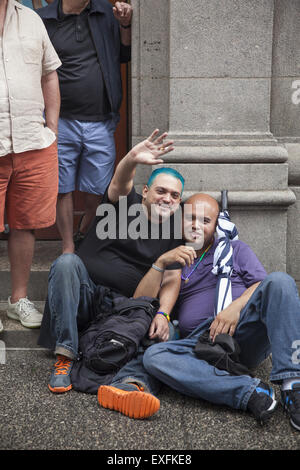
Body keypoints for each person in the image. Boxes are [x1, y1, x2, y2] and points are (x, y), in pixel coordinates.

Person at [97, 193, 300, 431]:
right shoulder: (176, 258)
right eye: (191, 218)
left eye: (205, 221)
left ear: (215, 226)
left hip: (242, 330)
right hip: (199, 343)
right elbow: (141, 299)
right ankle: (250, 391)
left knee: (280, 281)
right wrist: (161, 263)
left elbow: (263, 287)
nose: (196, 225)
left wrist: (234, 308)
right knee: (154, 357)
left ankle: (292, 385)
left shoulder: (235, 249)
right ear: (180, 219)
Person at [38, 129, 189, 393]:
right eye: (161, 191)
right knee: (66, 262)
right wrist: (132, 157)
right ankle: (65, 357)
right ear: (145, 192)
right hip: (85, 298)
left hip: (124, 311)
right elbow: (120, 182)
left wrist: (164, 313)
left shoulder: (176, 230)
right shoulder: (122, 206)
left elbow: (173, 278)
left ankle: (124, 382)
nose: (167, 198)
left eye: (174, 195)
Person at [38, 0, 133, 253]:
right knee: (62, 189)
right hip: (60, 121)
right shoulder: (43, 20)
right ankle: (68, 246)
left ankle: (85, 231)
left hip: (101, 120)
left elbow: (125, 55)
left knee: (99, 191)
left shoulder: (106, 13)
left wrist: (125, 25)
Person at [0, 0, 61, 330]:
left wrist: (51, 128)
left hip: (31, 142)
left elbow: (49, 74)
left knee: (25, 224)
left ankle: (17, 301)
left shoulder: (32, 20)